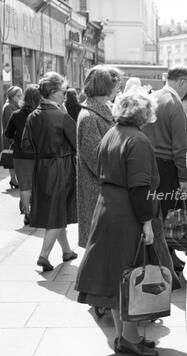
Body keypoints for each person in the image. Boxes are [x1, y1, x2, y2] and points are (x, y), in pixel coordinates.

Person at [75, 88, 180, 356]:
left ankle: (124, 337)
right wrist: (146, 222)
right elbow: (139, 186)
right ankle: (130, 338)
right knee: (133, 273)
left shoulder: (112, 133)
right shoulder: (139, 140)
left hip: (109, 208)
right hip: (127, 214)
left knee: (116, 275)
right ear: (144, 113)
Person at [22, 72, 77, 272]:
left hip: (42, 168)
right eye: (63, 91)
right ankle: (43, 255)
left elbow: (26, 146)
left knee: (56, 210)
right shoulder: (61, 116)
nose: (65, 95)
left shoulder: (32, 115)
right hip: (61, 167)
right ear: (53, 93)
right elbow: (77, 143)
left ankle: (67, 251)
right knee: (57, 212)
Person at [76, 65, 121, 248]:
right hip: (98, 189)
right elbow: (96, 159)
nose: (118, 89)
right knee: (98, 244)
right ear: (105, 87)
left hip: (104, 189)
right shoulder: (89, 117)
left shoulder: (100, 110)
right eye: (116, 85)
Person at [143, 66, 187, 219]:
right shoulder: (175, 104)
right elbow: (180, 147)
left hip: (147, 164)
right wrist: (183, 177)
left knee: (150, 214)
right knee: (165, 215)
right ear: (182, 82)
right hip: (167, 170)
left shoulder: (151, 97)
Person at [5, 85, 42, 226]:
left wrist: (17, 138)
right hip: (37, 155)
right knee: (37, 185)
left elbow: (8, 134)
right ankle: (36, 212)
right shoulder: (41, 115)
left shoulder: (16, 114)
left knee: (24, 187)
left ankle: (27, 214)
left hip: (20, 155)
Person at [1, 86, 23, 187]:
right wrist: (12, 139)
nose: (20, 97)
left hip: (13, 137)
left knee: (14, 159)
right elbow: (9, 125)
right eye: (18, 95)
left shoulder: (14, 105)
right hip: (10, 137)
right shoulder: (9, 107)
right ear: (12, 96)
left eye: (21, 95)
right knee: (12, 159)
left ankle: (14, 179)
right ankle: (13, 180)